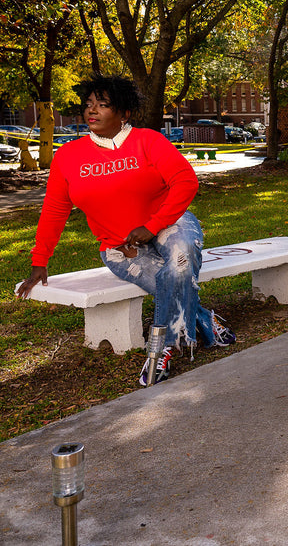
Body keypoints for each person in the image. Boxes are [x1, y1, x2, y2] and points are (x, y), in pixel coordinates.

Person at [16, 75, 235, 385]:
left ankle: (160, 350)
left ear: (124, 113)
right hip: (118, 247)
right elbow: (55, 208)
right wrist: (40, 260)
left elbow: (186, 181)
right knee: (171, 284)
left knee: (181, 258)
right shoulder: (68, 156)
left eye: (103, 105)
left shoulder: (148, 141)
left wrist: (153, 225)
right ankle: (204, 318)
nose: (92, 111)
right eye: (89, 105)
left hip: (170, 224)